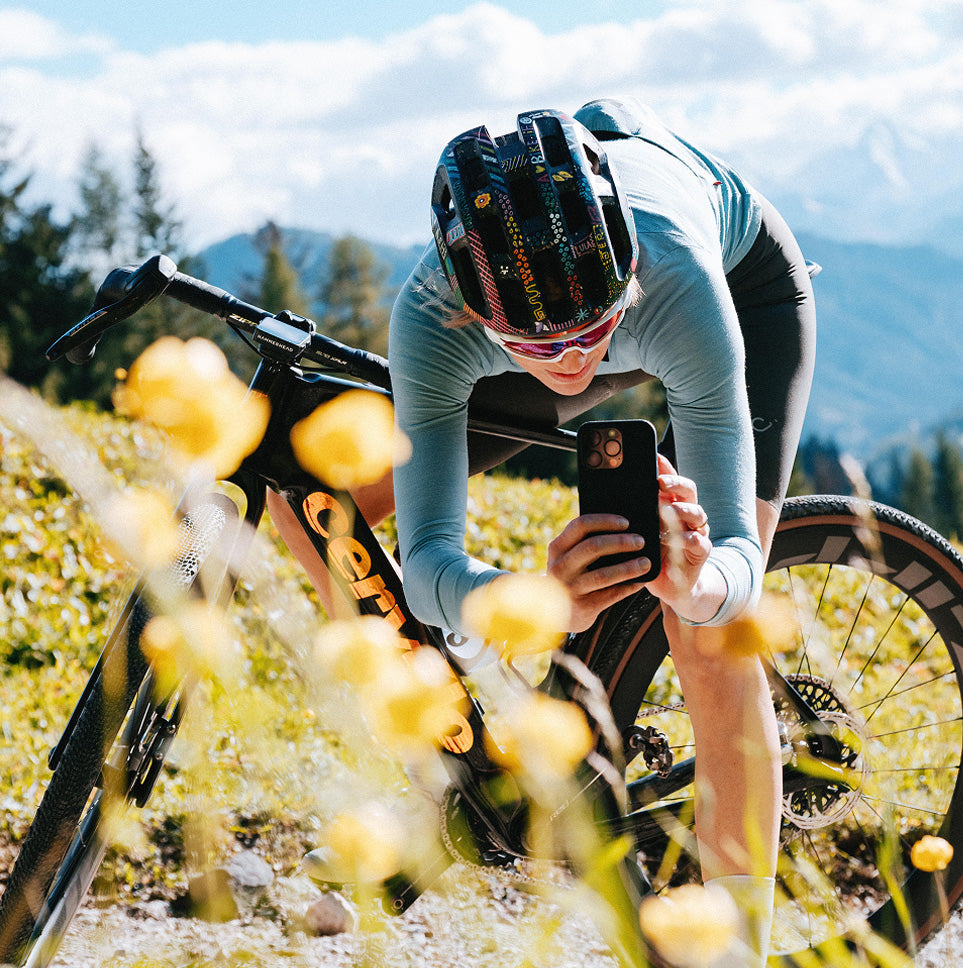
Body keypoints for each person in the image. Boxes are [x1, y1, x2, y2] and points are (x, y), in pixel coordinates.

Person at [275, 96, 816, 967]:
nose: (573, 363)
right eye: (541, 346)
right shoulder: (432, 316)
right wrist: (534, 602)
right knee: (314, 501)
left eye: (591, 333)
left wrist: (696, 581)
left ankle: (736, 952)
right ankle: (451, 769)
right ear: (471, 308)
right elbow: (429, 562)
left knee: (708, 634)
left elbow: (738, 567)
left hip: (731, 289)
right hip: (558, 311)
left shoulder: (676, 279)